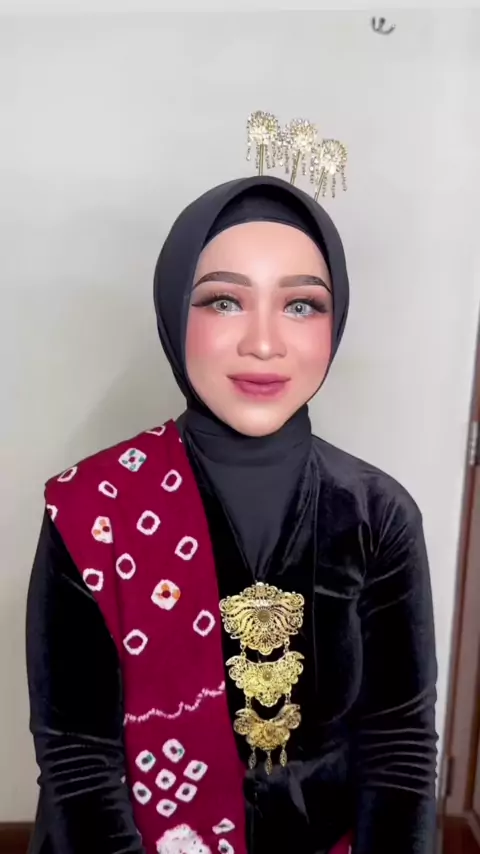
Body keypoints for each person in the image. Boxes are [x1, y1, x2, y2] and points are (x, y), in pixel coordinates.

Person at [26, 173, 438, 854]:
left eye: (301, 305)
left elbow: (398, 749)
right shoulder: (92, 510)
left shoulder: (379, 514)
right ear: (172, 310)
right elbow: (77, 761)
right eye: (224, 300)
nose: (265, 343)